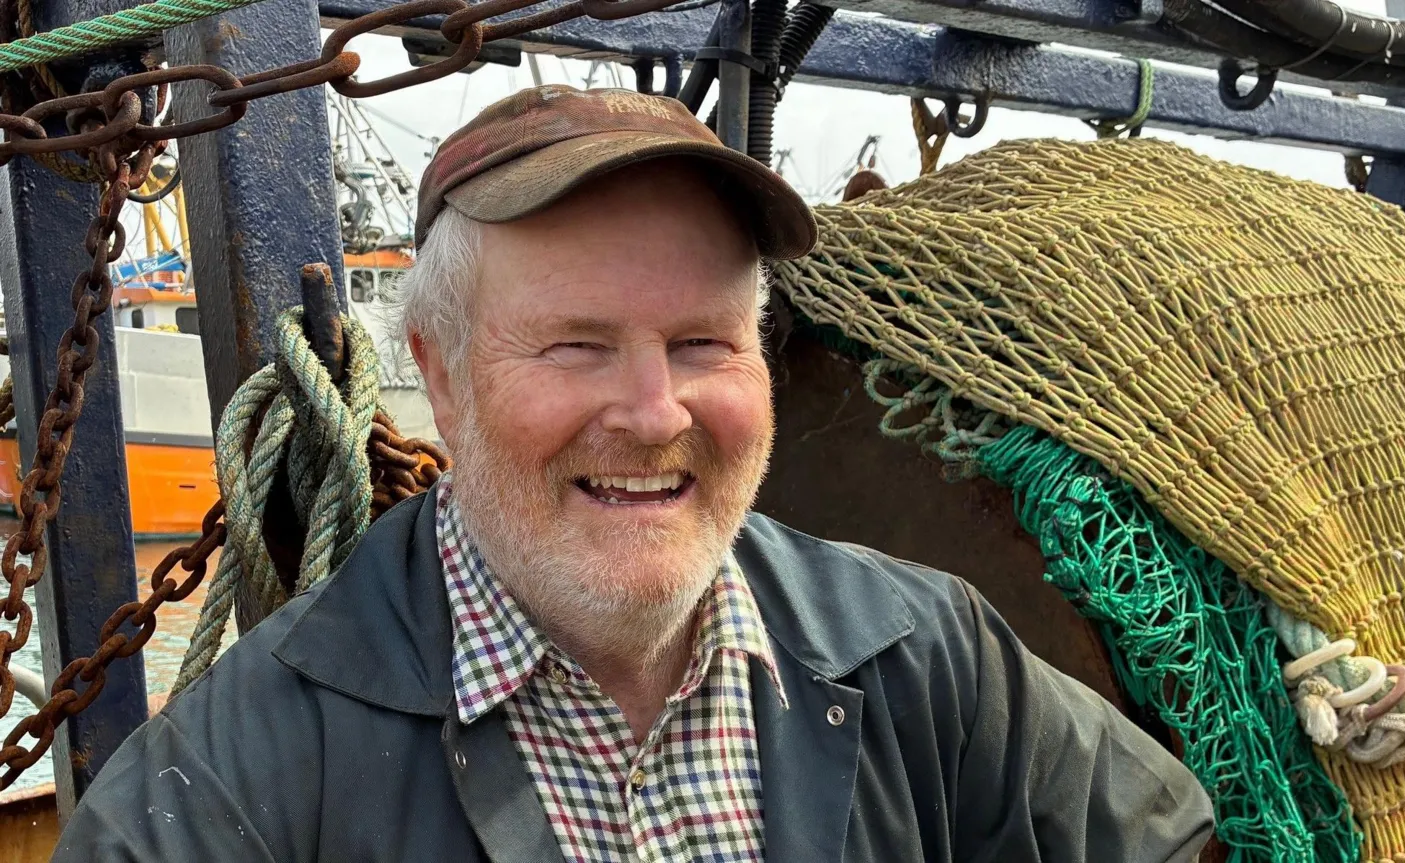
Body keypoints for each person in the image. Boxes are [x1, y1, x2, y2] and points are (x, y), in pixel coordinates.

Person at [54, 85, 1214, 862]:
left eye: (705, 342)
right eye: (576, 345)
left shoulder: (925, 651)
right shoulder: (241, 779)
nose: (656, 411)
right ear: (441, 378)